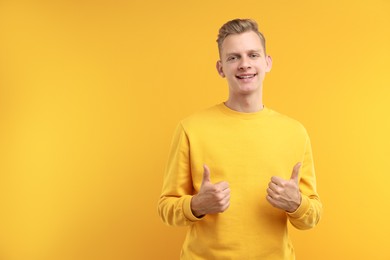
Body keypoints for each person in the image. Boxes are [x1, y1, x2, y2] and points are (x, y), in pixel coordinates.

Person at [158, 18, 322, 260]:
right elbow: (165, 208)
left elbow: (312, 216)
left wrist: (296, 203)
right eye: (233, 57)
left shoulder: (295, 132)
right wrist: (197, 205)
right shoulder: (190, 128)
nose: (244, 64)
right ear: (221, 68)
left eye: (253, 55)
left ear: (267, 63)